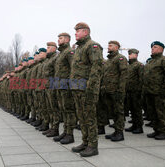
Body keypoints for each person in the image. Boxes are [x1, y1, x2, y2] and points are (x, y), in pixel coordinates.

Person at [70, 22, 103, 157]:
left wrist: (90, 88)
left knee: (89, 117)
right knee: (82, 117)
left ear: (86, 32)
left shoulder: (92, 46)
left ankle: (93, 146)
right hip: (78, 89)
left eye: (78, 31)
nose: (76, 33)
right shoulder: (79, 48)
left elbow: (97, 68)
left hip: (87, 90)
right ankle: (85, 142)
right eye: (75, 31)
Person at [144, 41, 165, 140]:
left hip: (159, 92)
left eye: (155, 47)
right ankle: (156, 130)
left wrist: (164, 89)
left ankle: (163, 132)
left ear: (161, 49)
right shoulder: (151, 61)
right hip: (149, 91)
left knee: (161, 113)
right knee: (153, 112)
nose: (152, 49)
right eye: (152, 47)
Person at [102, 41, 128, 142]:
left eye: (110, 46)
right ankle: (116, 131)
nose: (108, 47)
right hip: (108, 90)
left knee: (118, 111)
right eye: (108, 45)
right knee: (113, 112)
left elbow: (124, 74)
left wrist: (121, 89)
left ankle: (120, 133)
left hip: (116, 90)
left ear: (116, 47)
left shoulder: (120, 58)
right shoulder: (109, 60)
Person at [125, 49, 144, 134]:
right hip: (129, 91)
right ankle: (134, 125)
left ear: (136, 55)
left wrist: (140, 90)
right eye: (129, 54)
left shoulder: (139, 65)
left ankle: (139, 127)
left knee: (137, 109)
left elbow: (141, 78)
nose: (129, 55)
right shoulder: (129, 65)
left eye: (131, 54)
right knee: (132, 109)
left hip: (136, 91)